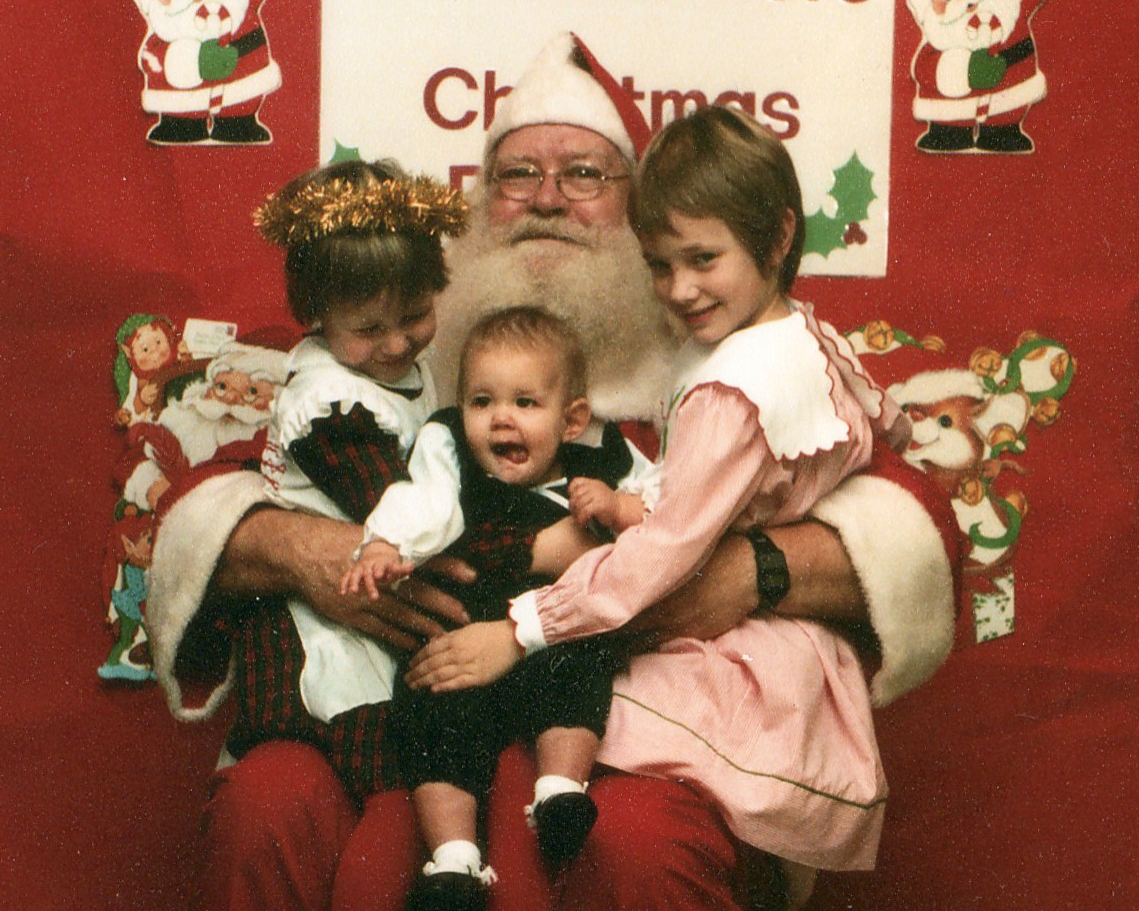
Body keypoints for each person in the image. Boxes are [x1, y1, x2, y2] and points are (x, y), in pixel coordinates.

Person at [146, 31, 960, 911]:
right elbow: (232, 485)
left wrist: (757, 567)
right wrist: (303, 548)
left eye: (584, 175)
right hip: (416, 685)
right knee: (267, 803)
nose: (545, 199)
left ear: (639, 213)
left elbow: (912, 518)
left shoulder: (714, 352)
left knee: (640, 840)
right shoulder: (403, 343)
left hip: (628, 696)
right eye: (517, 174)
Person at [410, 104, 910, 876]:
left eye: (702, 259)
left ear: (778, 235)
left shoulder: (728, 389)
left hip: (721, 655)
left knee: (580, 758)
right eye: (659, 265)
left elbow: (667, 548)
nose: (679, 289)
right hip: (792, 656)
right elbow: (885, 426)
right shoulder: (806, 338)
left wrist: (521, 627)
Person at [355, 307, 653, 910]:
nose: (501, 418)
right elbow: (422, 501)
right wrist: (387, 543)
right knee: (432, 703)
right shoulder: (449, 446)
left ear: (572, 420)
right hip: (462, 635)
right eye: (481, 401)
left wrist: (619, 507)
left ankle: (560, 792)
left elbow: (667, 499)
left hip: (549, 632)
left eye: (525, 402)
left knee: (582, 662)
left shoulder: (601, 456)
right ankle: (453, 860)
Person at [218, 157, 469, 799]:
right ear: (316, 315)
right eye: (369, 328)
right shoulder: (332, 408)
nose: (397, 344)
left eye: (415, 315)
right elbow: (398, 503)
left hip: (378, 597)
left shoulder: (403, 370)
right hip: (314, 626)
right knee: (373, 760)